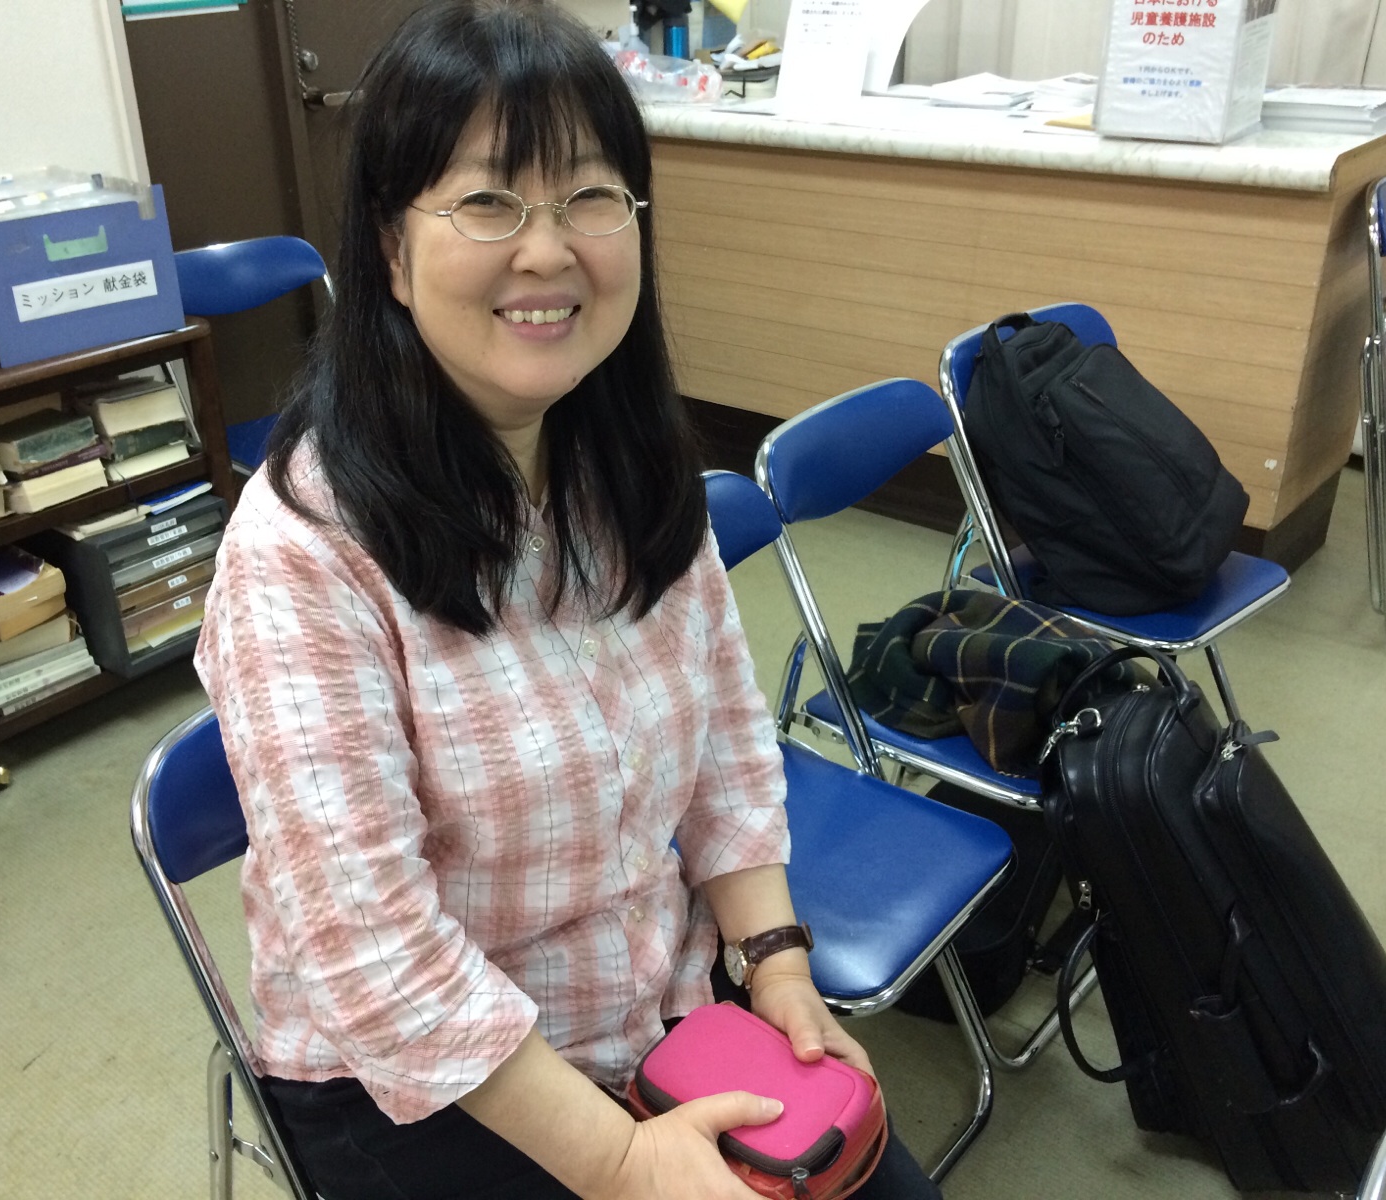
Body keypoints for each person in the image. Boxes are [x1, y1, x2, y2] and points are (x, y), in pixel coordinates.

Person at [194, 2, 942, 1197]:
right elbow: (373, 951)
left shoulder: (626, 467)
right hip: (421, 1084)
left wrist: (774, 962)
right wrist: (623, 1161)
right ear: (390, 249)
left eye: (590, 196)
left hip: (646, 1006)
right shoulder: (303, 550)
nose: (547, 252)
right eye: (488, 202)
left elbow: (727, 743)